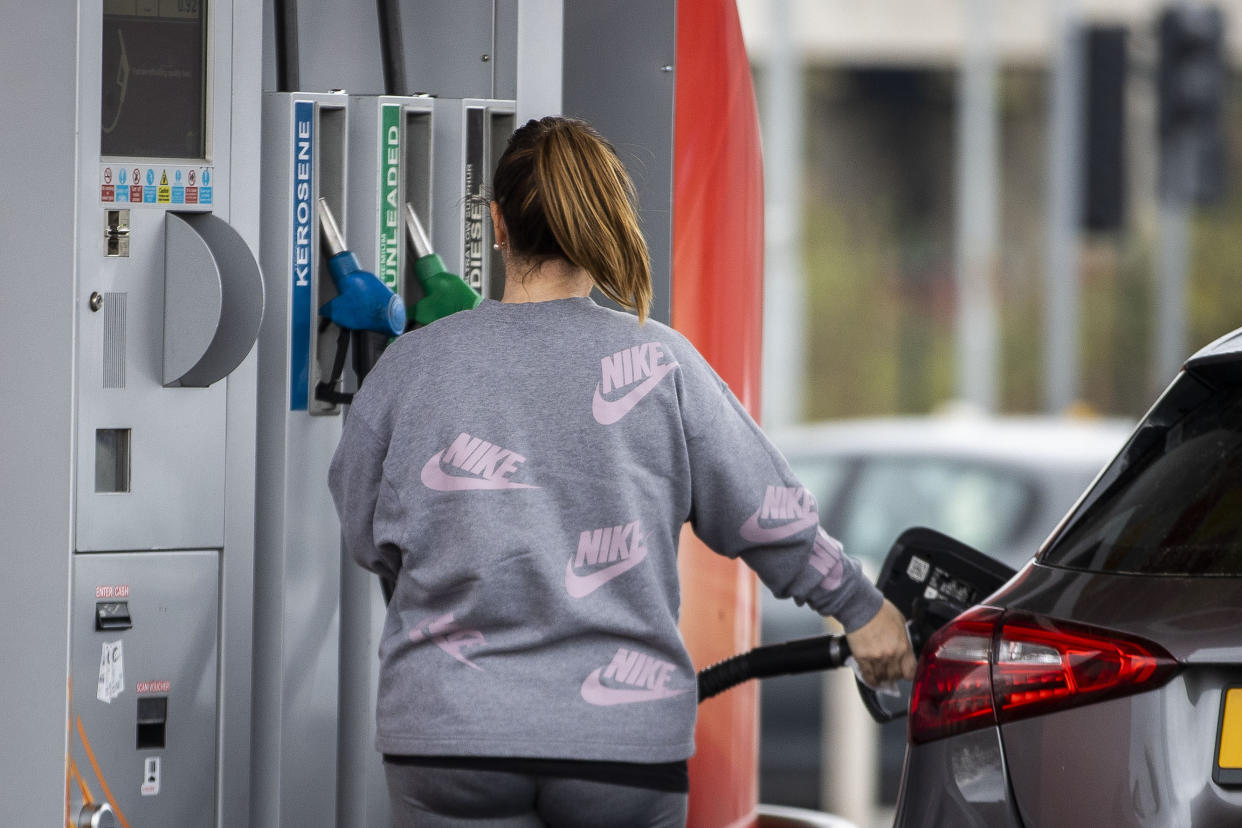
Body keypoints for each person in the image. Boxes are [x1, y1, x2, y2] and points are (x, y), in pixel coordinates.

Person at [328, 116, 915, 827]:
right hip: (619, 742)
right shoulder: (659, 364)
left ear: (497, 224)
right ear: (602, 220)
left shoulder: (414, 366)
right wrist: (860, 607)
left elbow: (365, 534)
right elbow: (770, 515)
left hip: (450, 733)